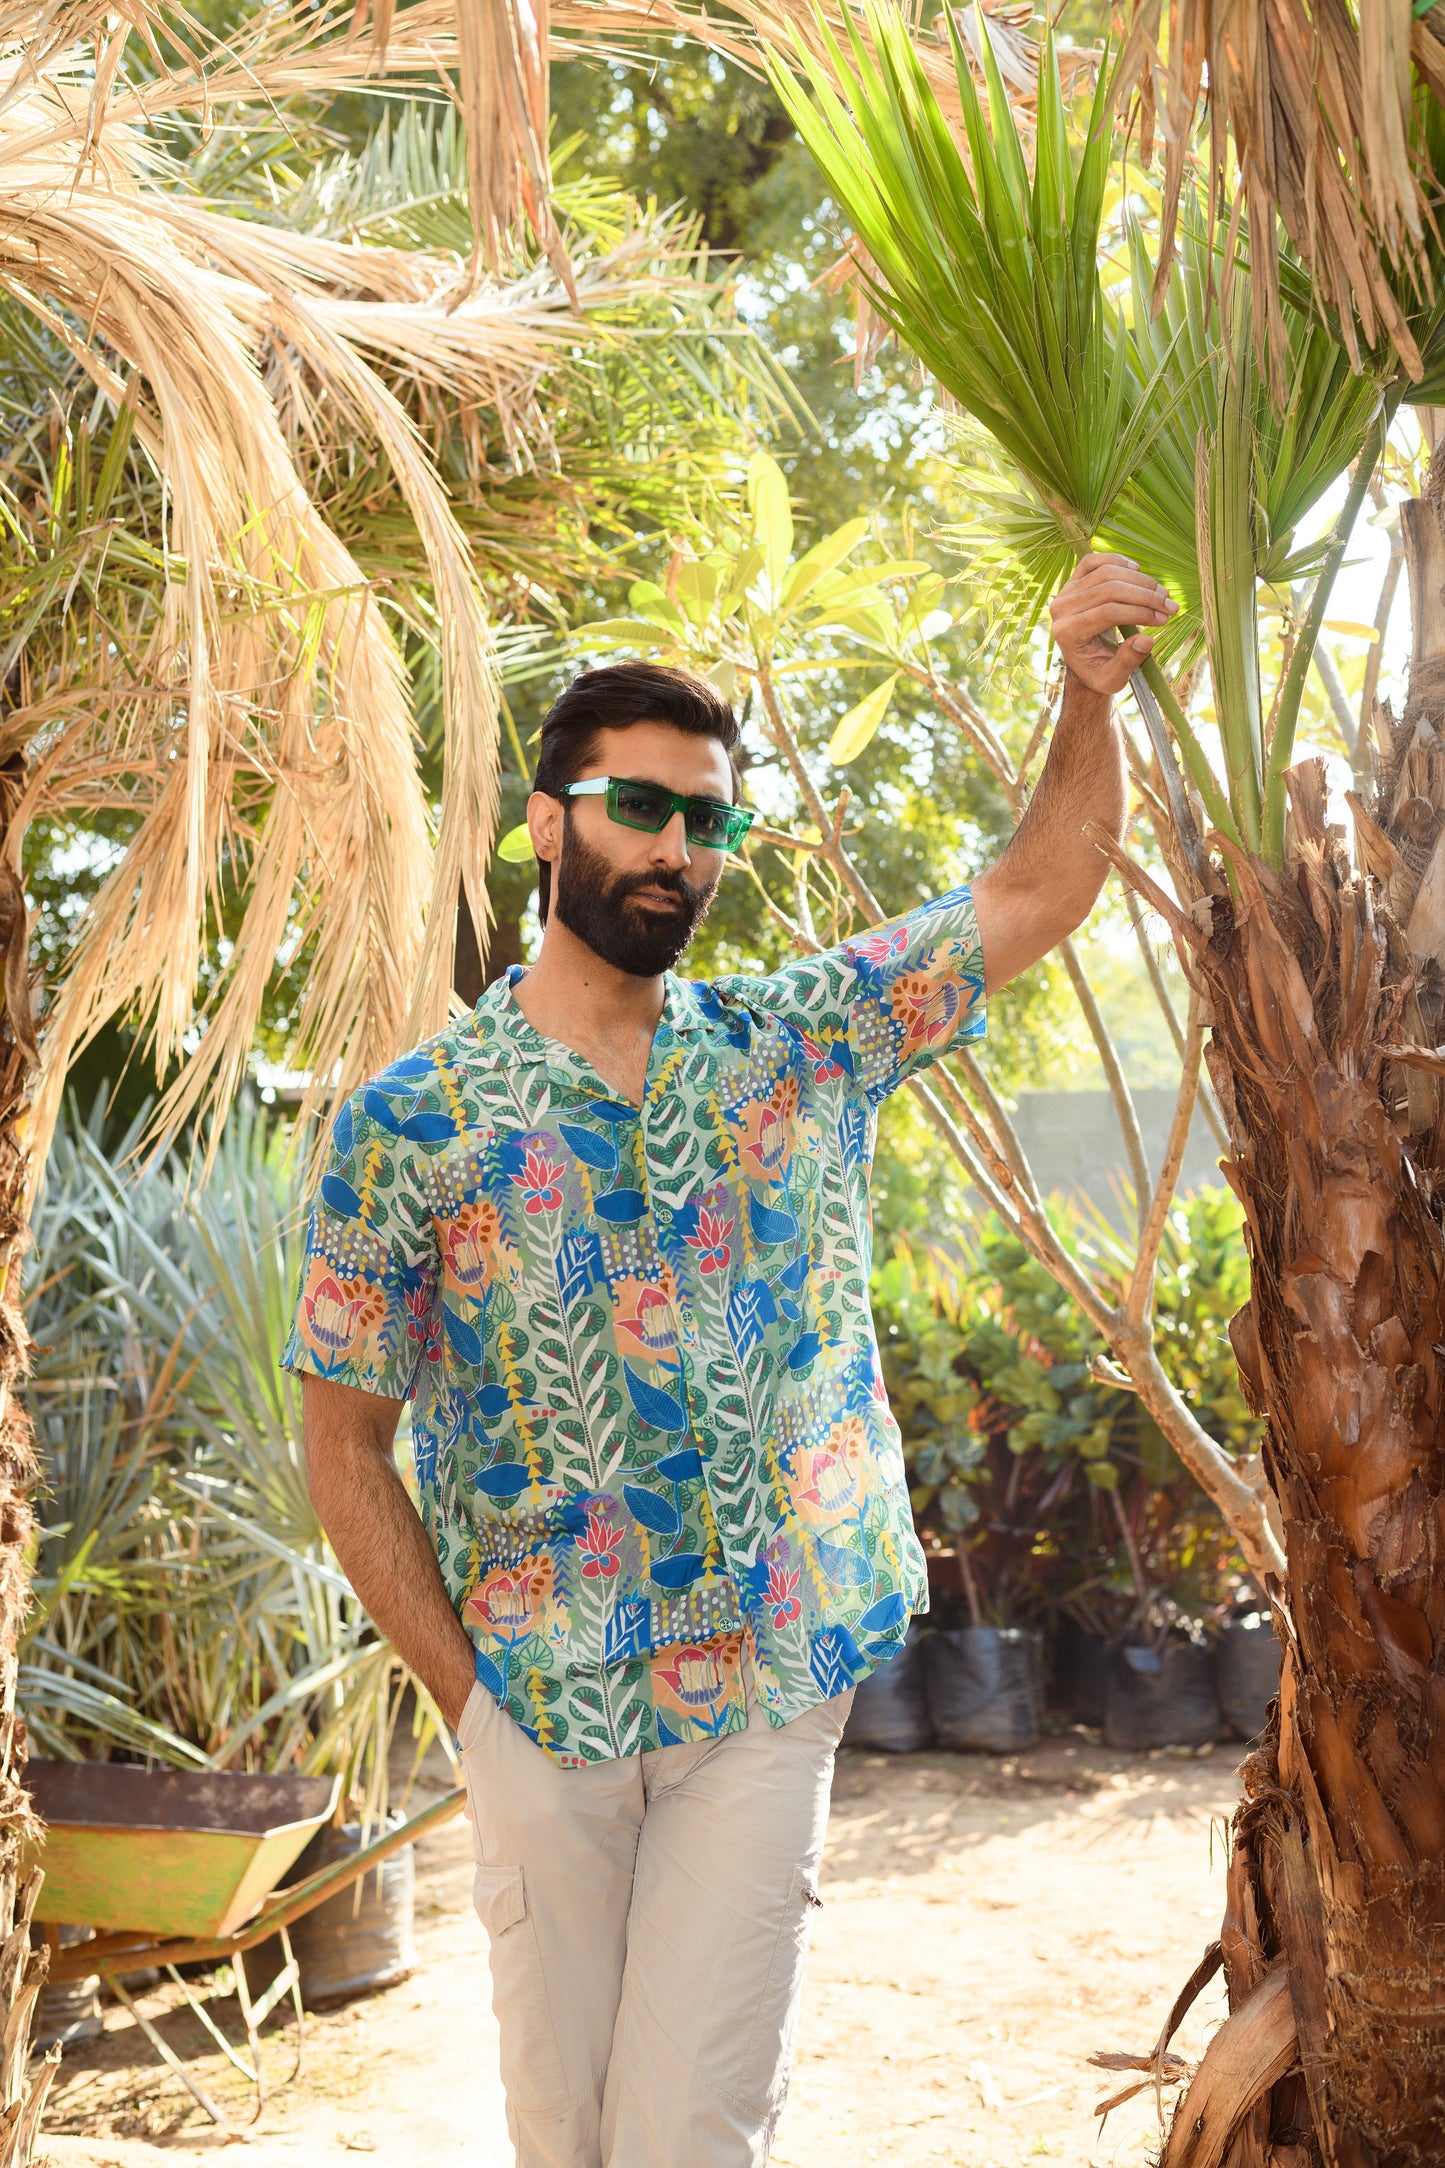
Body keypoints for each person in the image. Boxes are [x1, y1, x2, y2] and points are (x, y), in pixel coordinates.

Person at [284, 553, 1177, 2168]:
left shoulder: (799, 1041)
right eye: (640, 806)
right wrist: (469, 1701)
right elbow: (342, 1443)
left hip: (768, 1681)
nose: (676, 848)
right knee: (565, 2133)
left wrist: (1083, 698)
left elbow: (1036, 893)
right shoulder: (408, 1122)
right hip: (540, 1697)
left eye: (709, 821)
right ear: (547, 821)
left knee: (692, 2132)